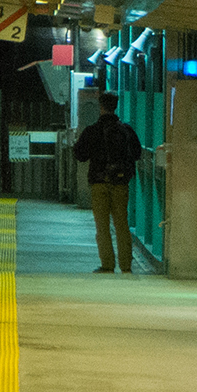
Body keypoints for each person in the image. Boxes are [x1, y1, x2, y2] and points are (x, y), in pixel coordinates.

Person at [72, 91, 143, 273]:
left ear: (101, 107)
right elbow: (137, 154)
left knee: (102, 226)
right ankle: (126, 266)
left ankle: (107, 264)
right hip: (120, 184)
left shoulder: (92, 131)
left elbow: (80, 155)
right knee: (122, 224)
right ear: (116, 106)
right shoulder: (126, 131)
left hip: (99, 183)